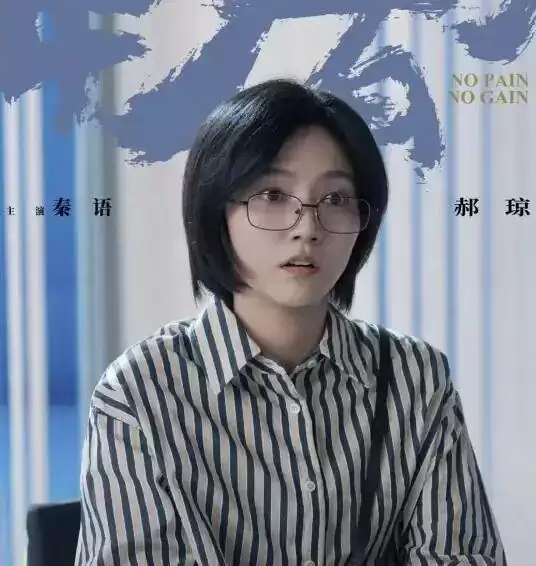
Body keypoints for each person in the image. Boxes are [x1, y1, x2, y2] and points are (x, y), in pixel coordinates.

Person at [74, 79, 506, 565]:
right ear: (216, 212)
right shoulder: (139, 395)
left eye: (336, 199)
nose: (307, 228)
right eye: (273, 194)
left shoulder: (416, 379)